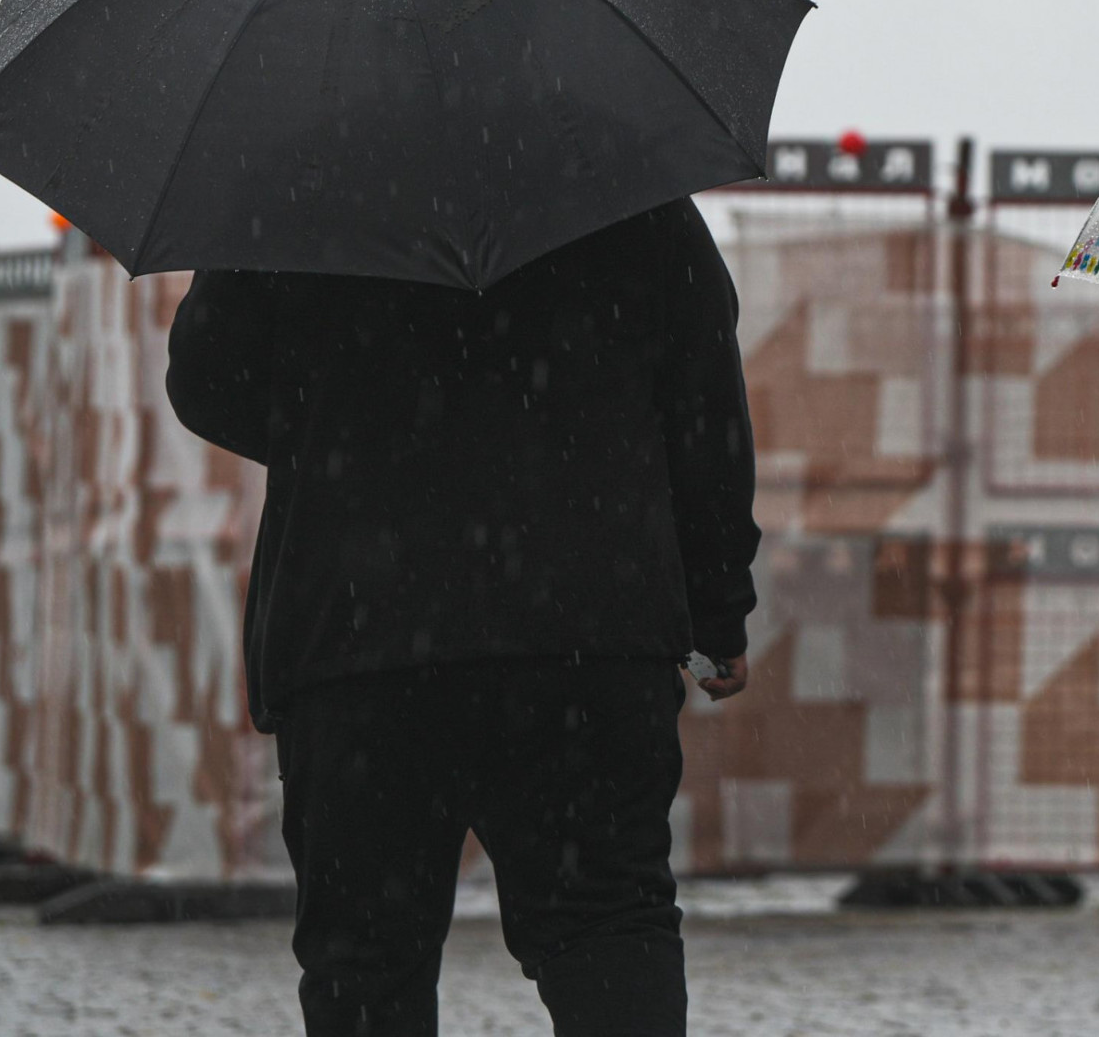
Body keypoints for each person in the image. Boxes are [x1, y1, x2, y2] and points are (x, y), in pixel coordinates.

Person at [166, 197, 760, 1037]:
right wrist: (718, 607)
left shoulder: (297, 186)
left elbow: (205, 380)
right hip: (584, 632)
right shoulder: (624, 187)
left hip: (358, 637)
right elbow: (706, 415)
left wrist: (347, 435)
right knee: (607, 925)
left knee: (364, 964)